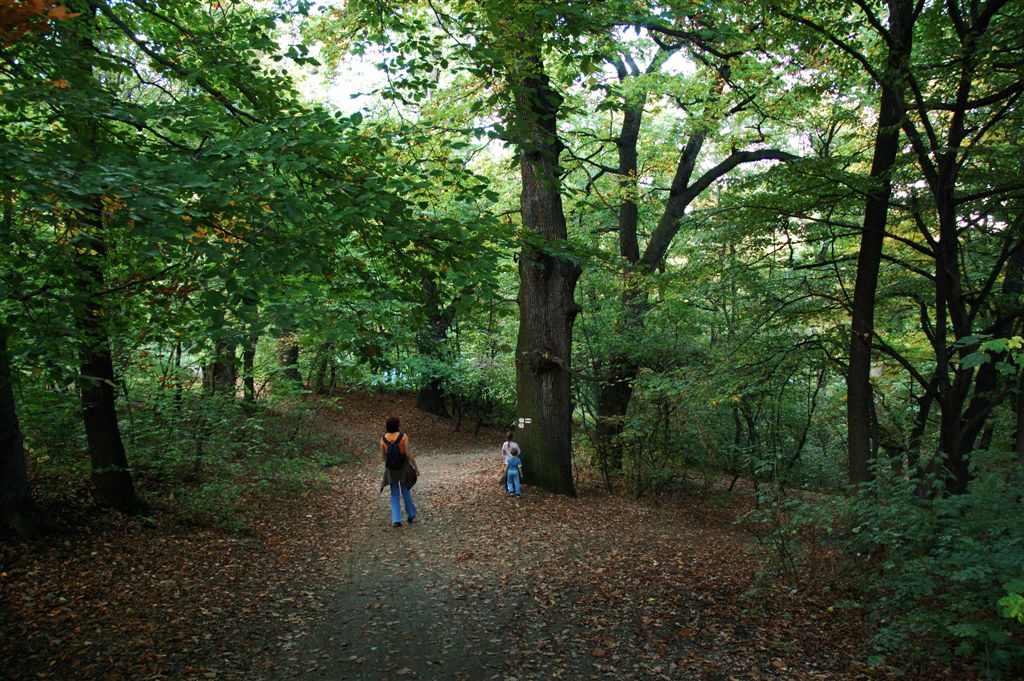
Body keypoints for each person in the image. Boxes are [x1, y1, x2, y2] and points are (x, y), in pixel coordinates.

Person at [379, 416, 419, 527]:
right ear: (397, 425)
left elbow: (383, 457)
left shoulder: (383, 439)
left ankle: (396, 519)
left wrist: (391, 461)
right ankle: (411, 514)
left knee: (394, 494)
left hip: (391, 470)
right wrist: (415, 467)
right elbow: (408, 454)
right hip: (403, 467)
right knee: (405, 490)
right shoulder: (403, 437)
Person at [502, 431, 523, 497]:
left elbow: (503, 452)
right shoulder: (515, 445)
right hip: (515, 461)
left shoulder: (504, 444)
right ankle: (517, 491)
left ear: (506, 437)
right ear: (512, 437)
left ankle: (509, 489)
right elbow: (519, 452)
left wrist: (506, 456)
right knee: (516, 478)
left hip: (507, 460)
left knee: (508, 476)